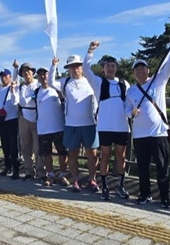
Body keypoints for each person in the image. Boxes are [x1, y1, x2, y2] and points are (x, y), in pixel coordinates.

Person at [126, 34, 170, 208]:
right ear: (133, 73)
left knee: (162, 167)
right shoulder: (131, 91)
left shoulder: (158, 82)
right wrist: (131, 112)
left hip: (158, 133)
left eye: (143, 68)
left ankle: (165, 196)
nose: (140, 71)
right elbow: (126, 110)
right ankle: (145, 194)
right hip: (140, 135)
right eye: (137, 69)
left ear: (148, 70)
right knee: (142, 168)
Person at [84, 42, 131, 200]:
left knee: (121, 156)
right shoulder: (98, 82)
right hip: (105, 126)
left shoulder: (124, 84)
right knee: (104, 155)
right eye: (107, 66)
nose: (110, 68)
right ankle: (104, 186)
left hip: (122, 126)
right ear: (103, 68)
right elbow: (85, 68)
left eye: (113, 65)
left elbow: (131, 103)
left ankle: (121, 185)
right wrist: (90, 51)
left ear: (116, 67)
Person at [49, 55, 98, 193]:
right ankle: (75, 180)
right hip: (71, 124)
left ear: (82, 67)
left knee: (92, 154)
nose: (75, 68)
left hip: (90, 123)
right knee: (72, 154)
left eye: (77, 65)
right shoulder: (65, 82)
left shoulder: (90, 82)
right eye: (71, 66)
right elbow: (50, 81)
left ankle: (92, 179)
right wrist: (53, 66)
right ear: (68, 68)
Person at [34, 67, 67, 186]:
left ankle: (63, 175)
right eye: (40, 75)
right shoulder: (36, 92)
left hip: (59, 127)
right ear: (37, 77)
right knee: (46, 154)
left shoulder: (57, 89)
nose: (43, 77)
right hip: (43, 128)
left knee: (62, 153)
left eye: (45, 74)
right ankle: (51, 175)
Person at [13, 62, 42, 181]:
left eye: (28, 70)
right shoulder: (20, 86)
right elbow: (14, 83)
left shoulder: (38, 84)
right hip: (24, 117)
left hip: (37, 117)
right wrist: (15, 68)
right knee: (25, 147)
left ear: (32, 72)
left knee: (38, 148)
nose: (26, 73)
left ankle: (41, 172)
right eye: (24, 71)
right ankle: (29, 171)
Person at [0, 65, 20, 179]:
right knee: (5, 146)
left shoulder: (14, 87)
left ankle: (16, 169)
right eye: (1, 76)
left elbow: (16, 79)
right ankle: (7, 167)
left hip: (12, 119)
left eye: (5, 76)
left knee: (13, 146)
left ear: (9, 76)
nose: (3, 78)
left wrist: (15, 68)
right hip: (2, 120)